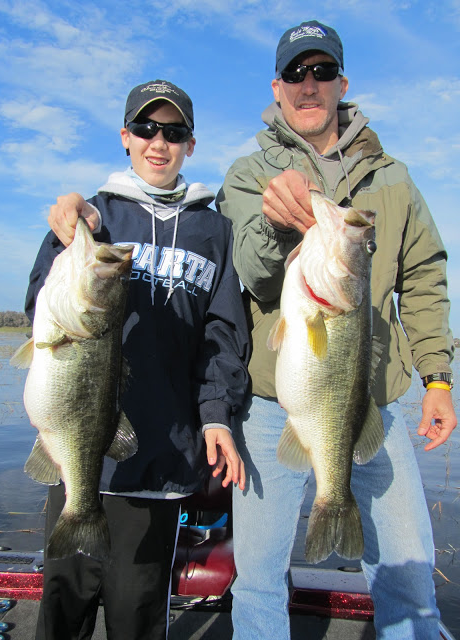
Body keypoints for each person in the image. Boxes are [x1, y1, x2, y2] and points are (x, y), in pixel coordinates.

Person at [215, 20, 457, 640]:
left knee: (408, 575)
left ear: (342, 84)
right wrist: (275, 218)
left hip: (374, 402)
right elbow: (253, 271)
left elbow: (424, 278)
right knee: (259, 580)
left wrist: (437, 378)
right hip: (272, 410)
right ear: (277, 86)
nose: (308, 85)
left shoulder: (394, 177)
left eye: (322, 72)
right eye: (296, 73)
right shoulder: (248, 173)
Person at [25, 79, 250, 640]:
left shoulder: (214, 231)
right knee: (63, 609)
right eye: (146, 129)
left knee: (137, 615)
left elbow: (224, 335)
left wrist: (218, 413)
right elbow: (40, 304)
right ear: (125, 137)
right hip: (80, 458)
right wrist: (66, 236)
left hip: (163, 463)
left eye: (173, 132)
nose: (159, 142)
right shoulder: (94, 219)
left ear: (190, 146)